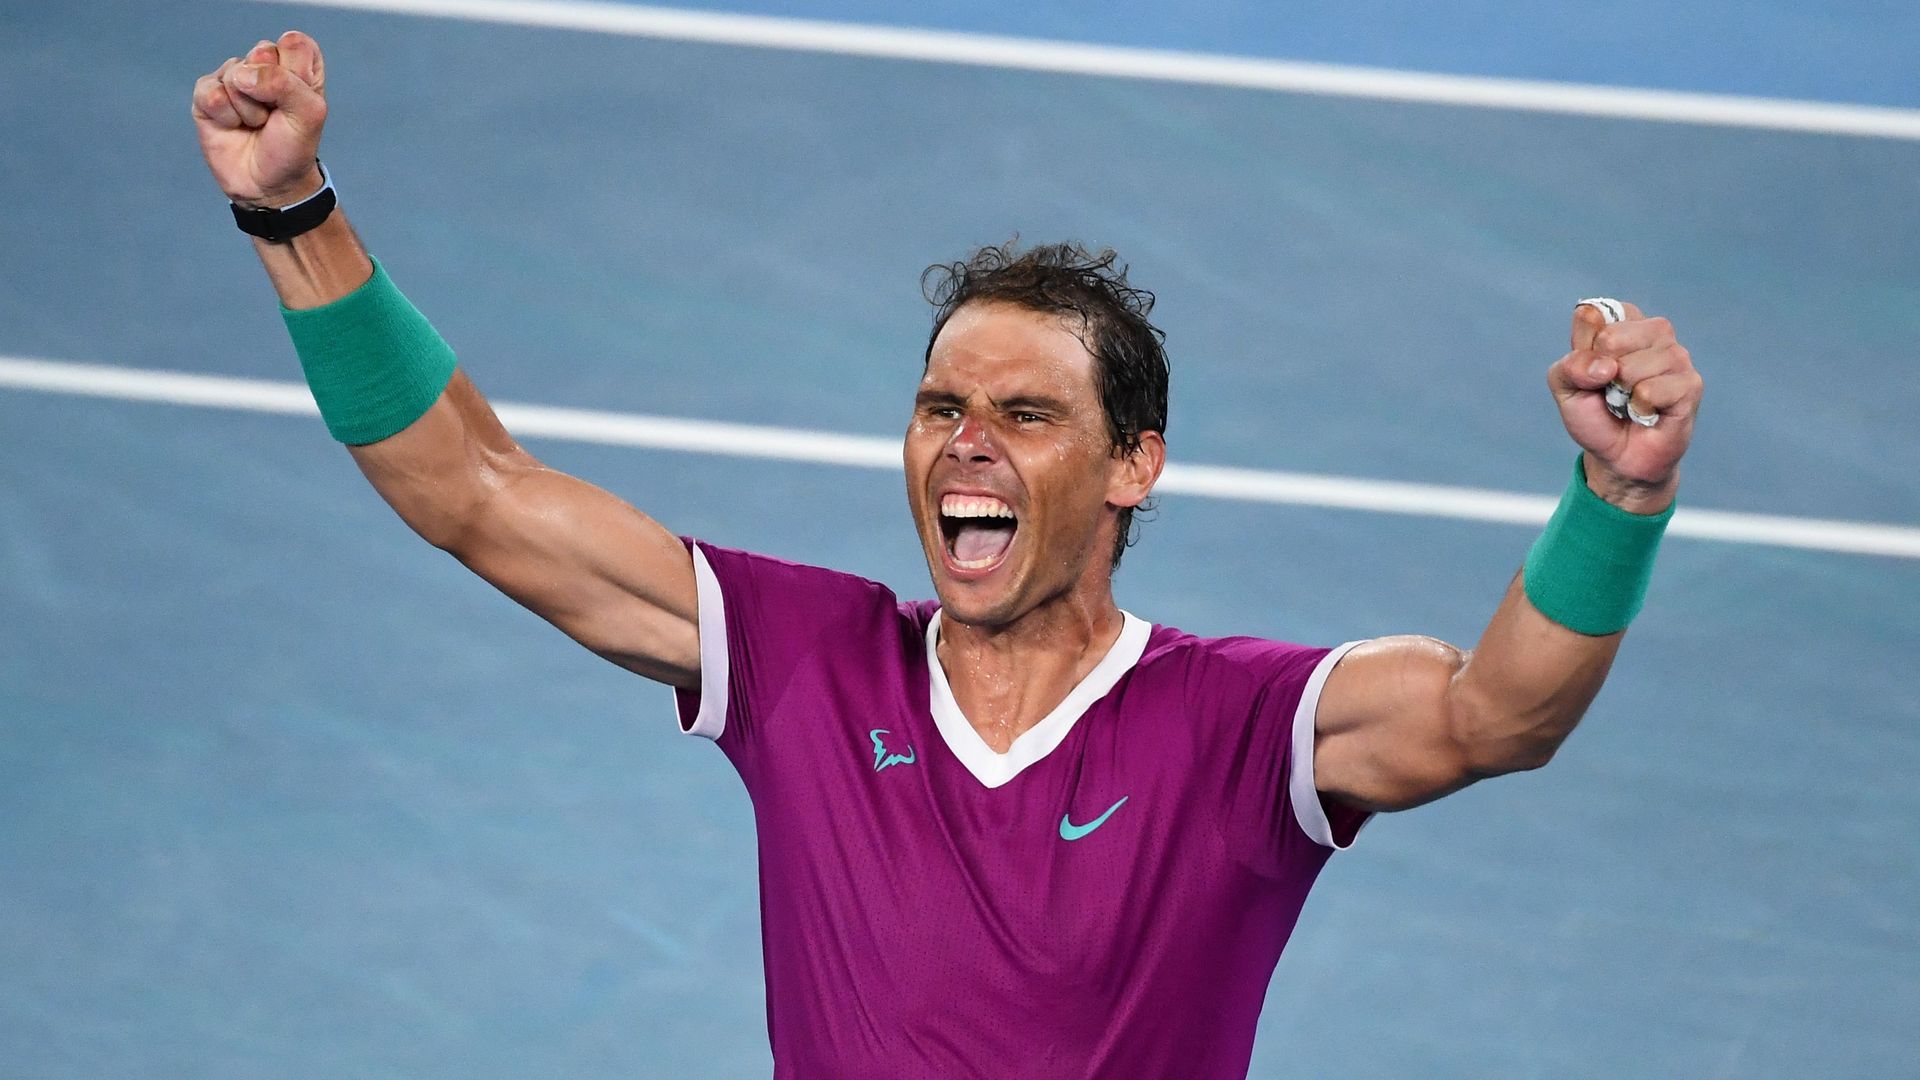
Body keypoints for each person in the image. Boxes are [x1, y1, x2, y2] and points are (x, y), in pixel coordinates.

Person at [192, 31, 1705, 1079]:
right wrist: (291, 213)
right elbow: (473, 492)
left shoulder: (1243, 729)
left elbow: (1497, 715)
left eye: (1026, 415)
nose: (966, 444)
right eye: (940, 408)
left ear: (1134, 465)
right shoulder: (802, 660)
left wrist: (1617, 498)